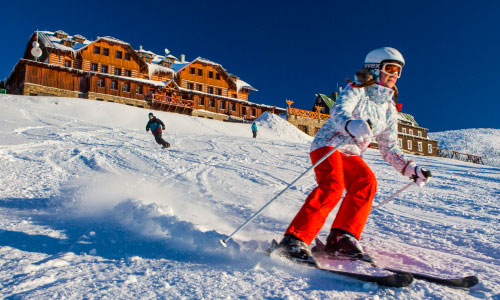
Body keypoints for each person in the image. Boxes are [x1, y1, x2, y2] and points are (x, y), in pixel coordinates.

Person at [276, 47, 432, 265]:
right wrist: (350, 124)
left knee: (366, 182)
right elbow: (339, 110)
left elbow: (389, 146)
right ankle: (294, 240)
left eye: (398, 71)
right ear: (375, 69)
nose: (394, 75)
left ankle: (342, 238)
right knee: (333, 185)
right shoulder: (357, 88)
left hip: (350, 152)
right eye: (390, 68)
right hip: (329, 144)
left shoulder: (389, 108)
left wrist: (410, 169)